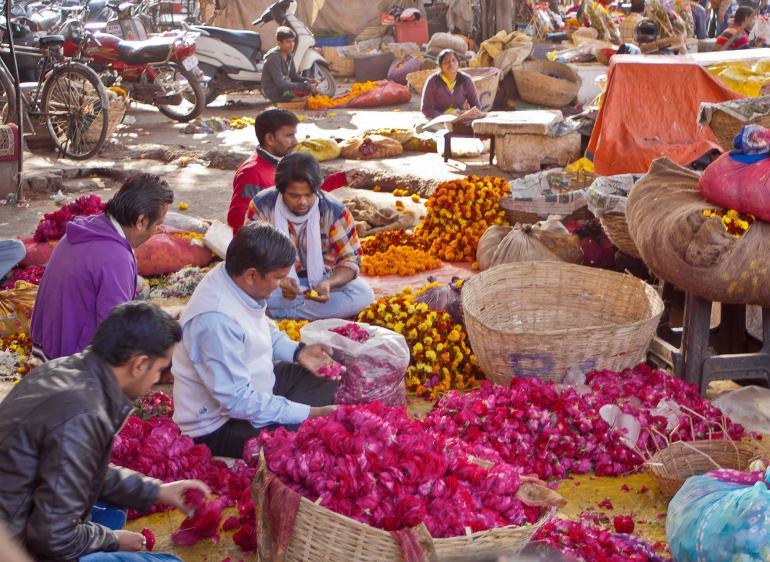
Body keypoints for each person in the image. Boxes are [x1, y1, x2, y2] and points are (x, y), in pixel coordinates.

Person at [0, 302, 210, 561]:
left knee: (114, 506)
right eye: (159, 370)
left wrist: (156, 491)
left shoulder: (65, 369)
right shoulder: (84, 414)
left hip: (21, 513)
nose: (157, 380)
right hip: (17, 546)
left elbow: (85, 468)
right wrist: (112, 540)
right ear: (139, 364)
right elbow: (52, 538)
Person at [172, 223, 339, 458]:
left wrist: (298, 352)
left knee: (327, 370)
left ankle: (294, 420)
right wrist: (309, 412)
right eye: (278, 277)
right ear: (251, 275)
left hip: (257, 386)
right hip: (220, 425)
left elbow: (263, 328)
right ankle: (295, 425)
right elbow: (237, 401)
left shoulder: (233, 277)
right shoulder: (214, 321)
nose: (283, 284)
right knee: (296, 446)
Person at [30, 174, 174, 361]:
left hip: (44, 346)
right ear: (141, 222)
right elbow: (115, 337)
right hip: (69, 364)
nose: (159, 231)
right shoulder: (116, 258)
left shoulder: (88, 228)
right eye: (158, 224)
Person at [245, 152, 374, 320]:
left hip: (322, 280)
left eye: (309, 194)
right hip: (275, 285)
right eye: (294, 195)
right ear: (280, 190)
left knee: (362, 294)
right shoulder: (263, 205)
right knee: (241, 289)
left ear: (317, 189)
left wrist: (329, 283)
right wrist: (278, 280)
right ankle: (299, 310)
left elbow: (350, 259)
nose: (303, 202)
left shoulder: (334, 211)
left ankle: (281, 313)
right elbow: (249, 255)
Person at [228, 108, 363, 234]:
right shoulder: (251, 172)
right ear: (270, 139)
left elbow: (302, 192)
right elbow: (237, 219)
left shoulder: (283, 162)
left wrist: (341, 179)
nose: (295, 141)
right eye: (289, 135)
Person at [420, 49, 483, 123]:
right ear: (440, 65)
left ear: (458, 63)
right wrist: (443, 117)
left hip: (459, 118)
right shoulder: (432, 81)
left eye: (454, 60)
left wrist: (466, 115)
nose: (451, 64)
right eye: (446, 62)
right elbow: (425, 108)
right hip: (438, 119)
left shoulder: (466, 80)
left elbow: (476, 106)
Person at [261, 27, 315, 103]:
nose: (291, 44)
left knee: (310, 92)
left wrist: (306, 80)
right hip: (275, 91)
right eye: (288, 42)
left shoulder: (289, 55)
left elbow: (293, 75)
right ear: (279, 43)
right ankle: (290, 99)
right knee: (304, 97)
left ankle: (295, 97)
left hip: (284, 88)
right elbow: (280, 83)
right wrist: (303, 86)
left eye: (293, 41)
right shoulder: (274, 58)